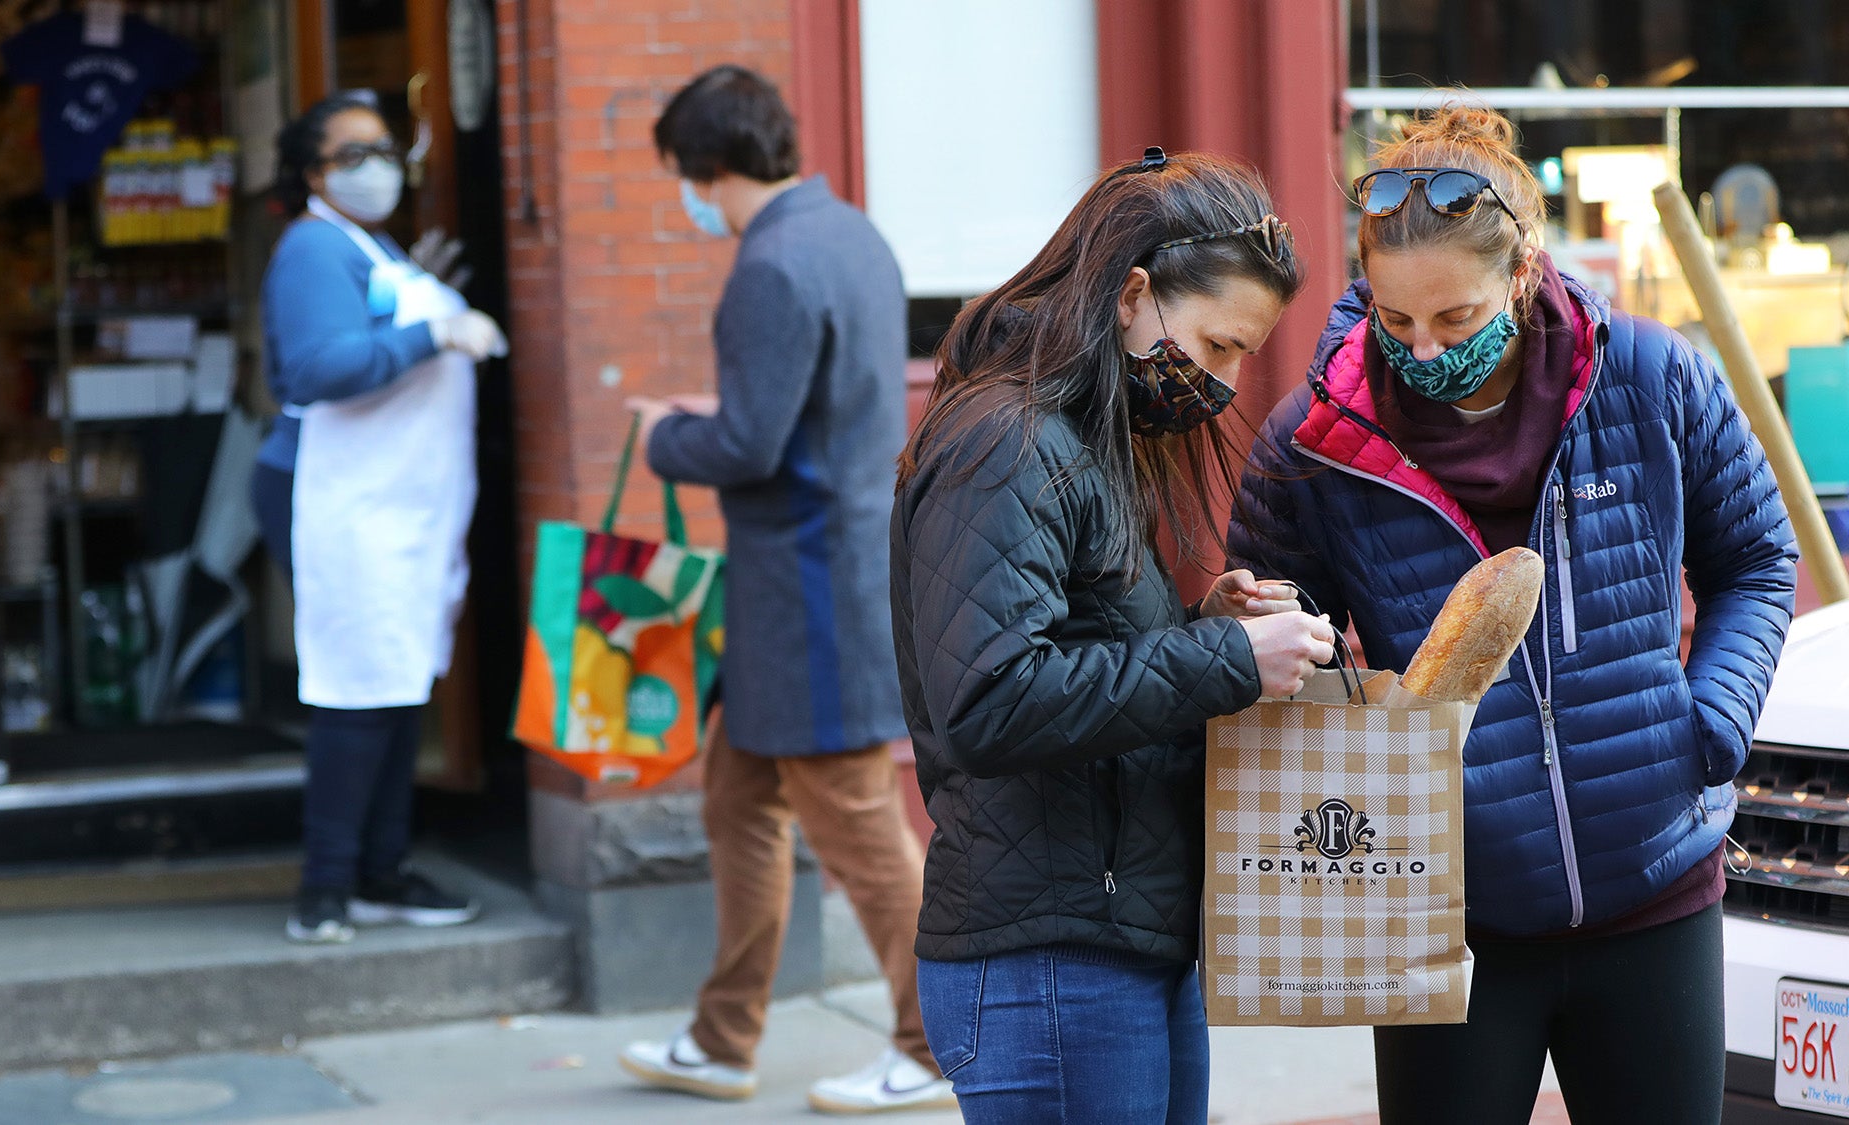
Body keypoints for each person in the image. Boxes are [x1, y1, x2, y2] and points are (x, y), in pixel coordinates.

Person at [1226, 102, 1798, 1125]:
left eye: (1453, 319)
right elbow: (1289, 656)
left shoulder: (1649, 376)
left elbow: (1754, 558)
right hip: (1443, 906)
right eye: (1394, 321)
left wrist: (1706, 723)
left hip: (1655, 883)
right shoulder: (1311, 441)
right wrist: (1269, 631)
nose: (1422, 347)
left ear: (1522, 271)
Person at [891, 147, 1336, 1123]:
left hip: (1108, 940)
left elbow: (1072, 662)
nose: (1223, 381)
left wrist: (1199, 627)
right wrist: (1223, 659)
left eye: (1239, 356)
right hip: (1045, 958)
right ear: (1133, 294)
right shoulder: (1010, 443)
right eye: (1215, 345)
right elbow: (989, 700)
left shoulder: (1076, 435)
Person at [614, 65, 946, 1115]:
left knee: (860, 832)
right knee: (738, 806)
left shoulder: (768, 264)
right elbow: (805, 410)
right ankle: (721, 1038)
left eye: (684, 180)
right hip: (817, 579)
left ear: (708, 170)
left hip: (802, 593)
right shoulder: (850, 233)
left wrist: (663, 434)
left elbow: (749, 443)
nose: (687, 201)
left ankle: (936, 1045)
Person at [251, 91, 508, 944]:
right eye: (351, 152)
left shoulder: (369, 247)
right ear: (313, 172)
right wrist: (434, 337)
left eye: (383, 148)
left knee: (397, 684)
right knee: (359, 690)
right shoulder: (312, 248)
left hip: (397, 507)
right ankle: (325, 887)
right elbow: (321, 365)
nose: (375, 165)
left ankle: (380, 869)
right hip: (339, 501)